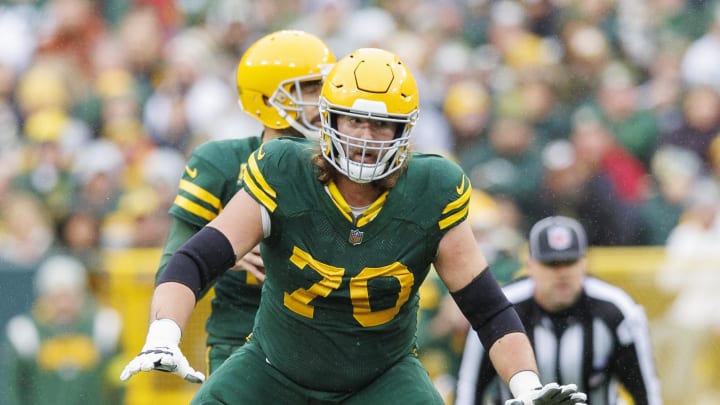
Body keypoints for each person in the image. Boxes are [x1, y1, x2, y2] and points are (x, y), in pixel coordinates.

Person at [121, 47, 587, 405]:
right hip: (273, 369)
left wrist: (526, 385)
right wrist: (164, 332)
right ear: (329, 119)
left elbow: (487, 308)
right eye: (355, 122)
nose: (366, 139)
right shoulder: (285, 170)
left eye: (382, 127)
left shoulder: (432, 187)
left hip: (382, 378)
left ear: (405, 131)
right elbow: (195, 259)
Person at [149, 29, 336, 379]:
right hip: (243, 338)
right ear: (266, 100)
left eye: (326, 87)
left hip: (331, 342)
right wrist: (221, 255)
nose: (324, 99)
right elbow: (173, 266)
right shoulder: (221, 161)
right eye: (310, 89)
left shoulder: (350, 166)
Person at [456, 216, 661, 405]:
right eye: (551, 263)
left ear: (584, 264)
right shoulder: (501, 309)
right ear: (530, 265)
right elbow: (470, 387)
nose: (562, 273)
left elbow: (646, 392)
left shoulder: (616, 310)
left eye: (569, 262)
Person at [1, 254, 124, 405]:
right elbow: (11, 388)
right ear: (44, 298)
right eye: (56, 298)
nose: (63, 305)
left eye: (69, 297)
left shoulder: (104, 327)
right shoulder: (24, 333)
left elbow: (119, 382)